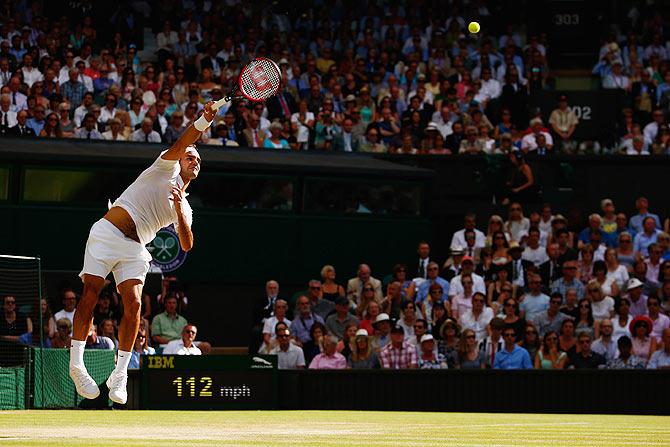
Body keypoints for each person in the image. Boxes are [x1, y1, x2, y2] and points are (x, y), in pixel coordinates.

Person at [69, 101, 216, 405]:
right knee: (91, 295)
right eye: (190, 156)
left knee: (134, 306)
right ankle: (76, 365)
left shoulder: (184, 206)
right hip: (107, 234)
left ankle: (119, 372)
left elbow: (187, 244)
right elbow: (183, 140)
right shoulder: (164, 166)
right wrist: (203, 120)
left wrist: (177, 207)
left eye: (198, 160)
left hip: (135, 249)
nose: (194, 161)